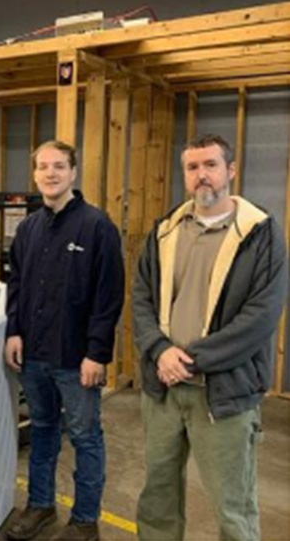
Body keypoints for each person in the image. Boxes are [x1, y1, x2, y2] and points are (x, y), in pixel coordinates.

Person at [133, 134, 288, 541]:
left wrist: (190, 360)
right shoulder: (165, 230)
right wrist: (159, 350)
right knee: (157, 498)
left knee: (232, 508)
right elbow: (142, 298)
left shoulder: (261, 234)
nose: (202, 175)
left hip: (223, 395)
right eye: (192, 167)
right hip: (163, 391)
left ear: (231, 171)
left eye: (210, 165)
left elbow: (261, 317)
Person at [4, 140, 125, 541]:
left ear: (73, 172)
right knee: (41, 430)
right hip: (34, 354)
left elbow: (108, 296)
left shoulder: (96, 226)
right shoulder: (28, 227)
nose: (50, 173)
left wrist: (97, 353)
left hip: (76, 358)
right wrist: (14, 330)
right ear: (35, 174)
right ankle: (40, 505)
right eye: (43, 167)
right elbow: (16, 284)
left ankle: (85, 521)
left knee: (86, 437)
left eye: (59, 166)